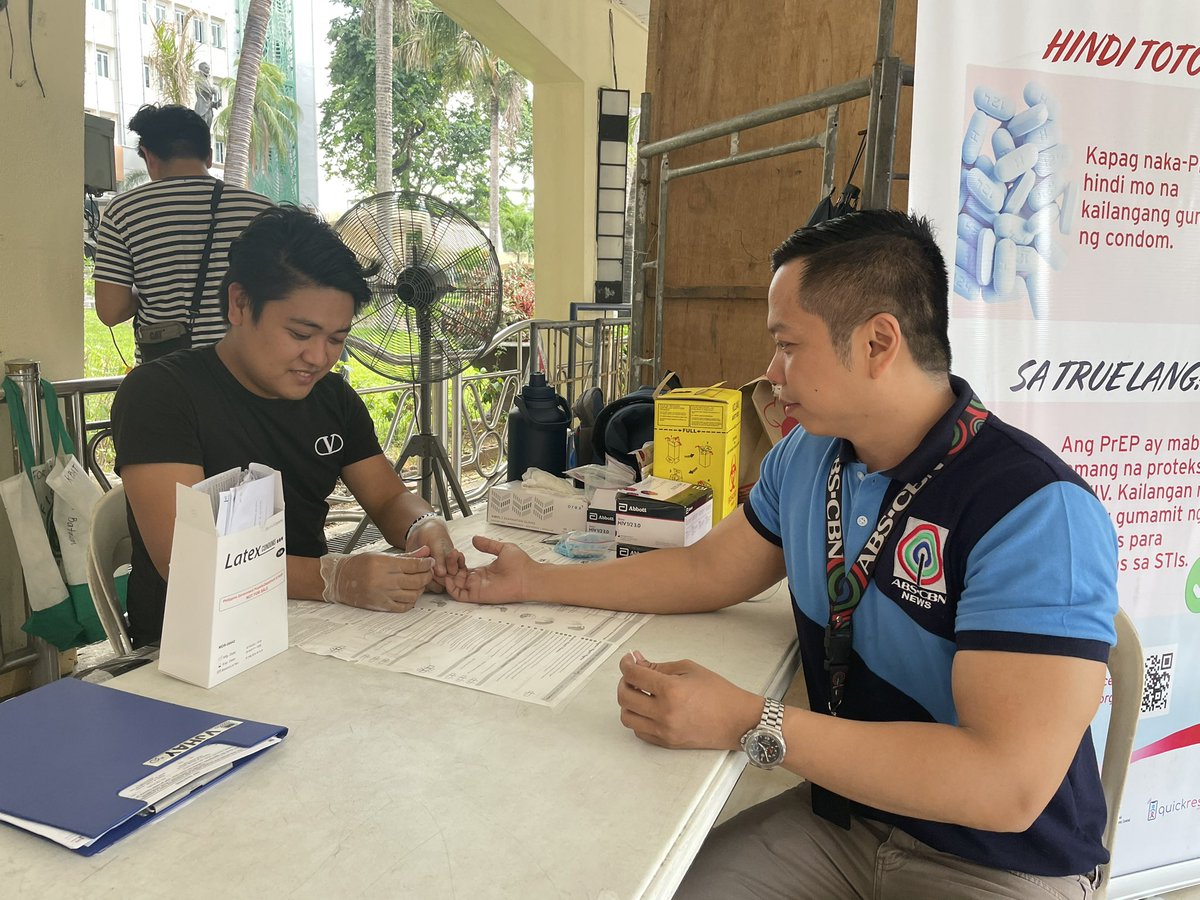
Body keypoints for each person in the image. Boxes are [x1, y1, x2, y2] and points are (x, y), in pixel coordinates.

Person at [447, 210, 1118, 898]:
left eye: (788, 344)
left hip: (997, 863)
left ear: (877, 342)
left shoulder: (1036, 511)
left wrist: (748, 720)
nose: (771, 371)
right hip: (844, 821)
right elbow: (707, 569)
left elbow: (1003, 785)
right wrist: (537, 580)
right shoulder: (808, 454)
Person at [111, 205, 465, 648]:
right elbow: (185, 560)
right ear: (239, 303)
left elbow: (390, 497)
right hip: (191, 647)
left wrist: (426, 529)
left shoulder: (331, 399)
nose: (318, 357)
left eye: (337, 339)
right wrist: (335, 576)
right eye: (300, 334)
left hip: (312, 627)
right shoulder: (162, 394)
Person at [93, 104, 273, 358]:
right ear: (209, 156)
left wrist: (149, 292)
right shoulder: (261, 209)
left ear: (149, 156)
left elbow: (111, 311)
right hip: (249, 369)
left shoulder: (123, 211)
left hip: (166, 374)